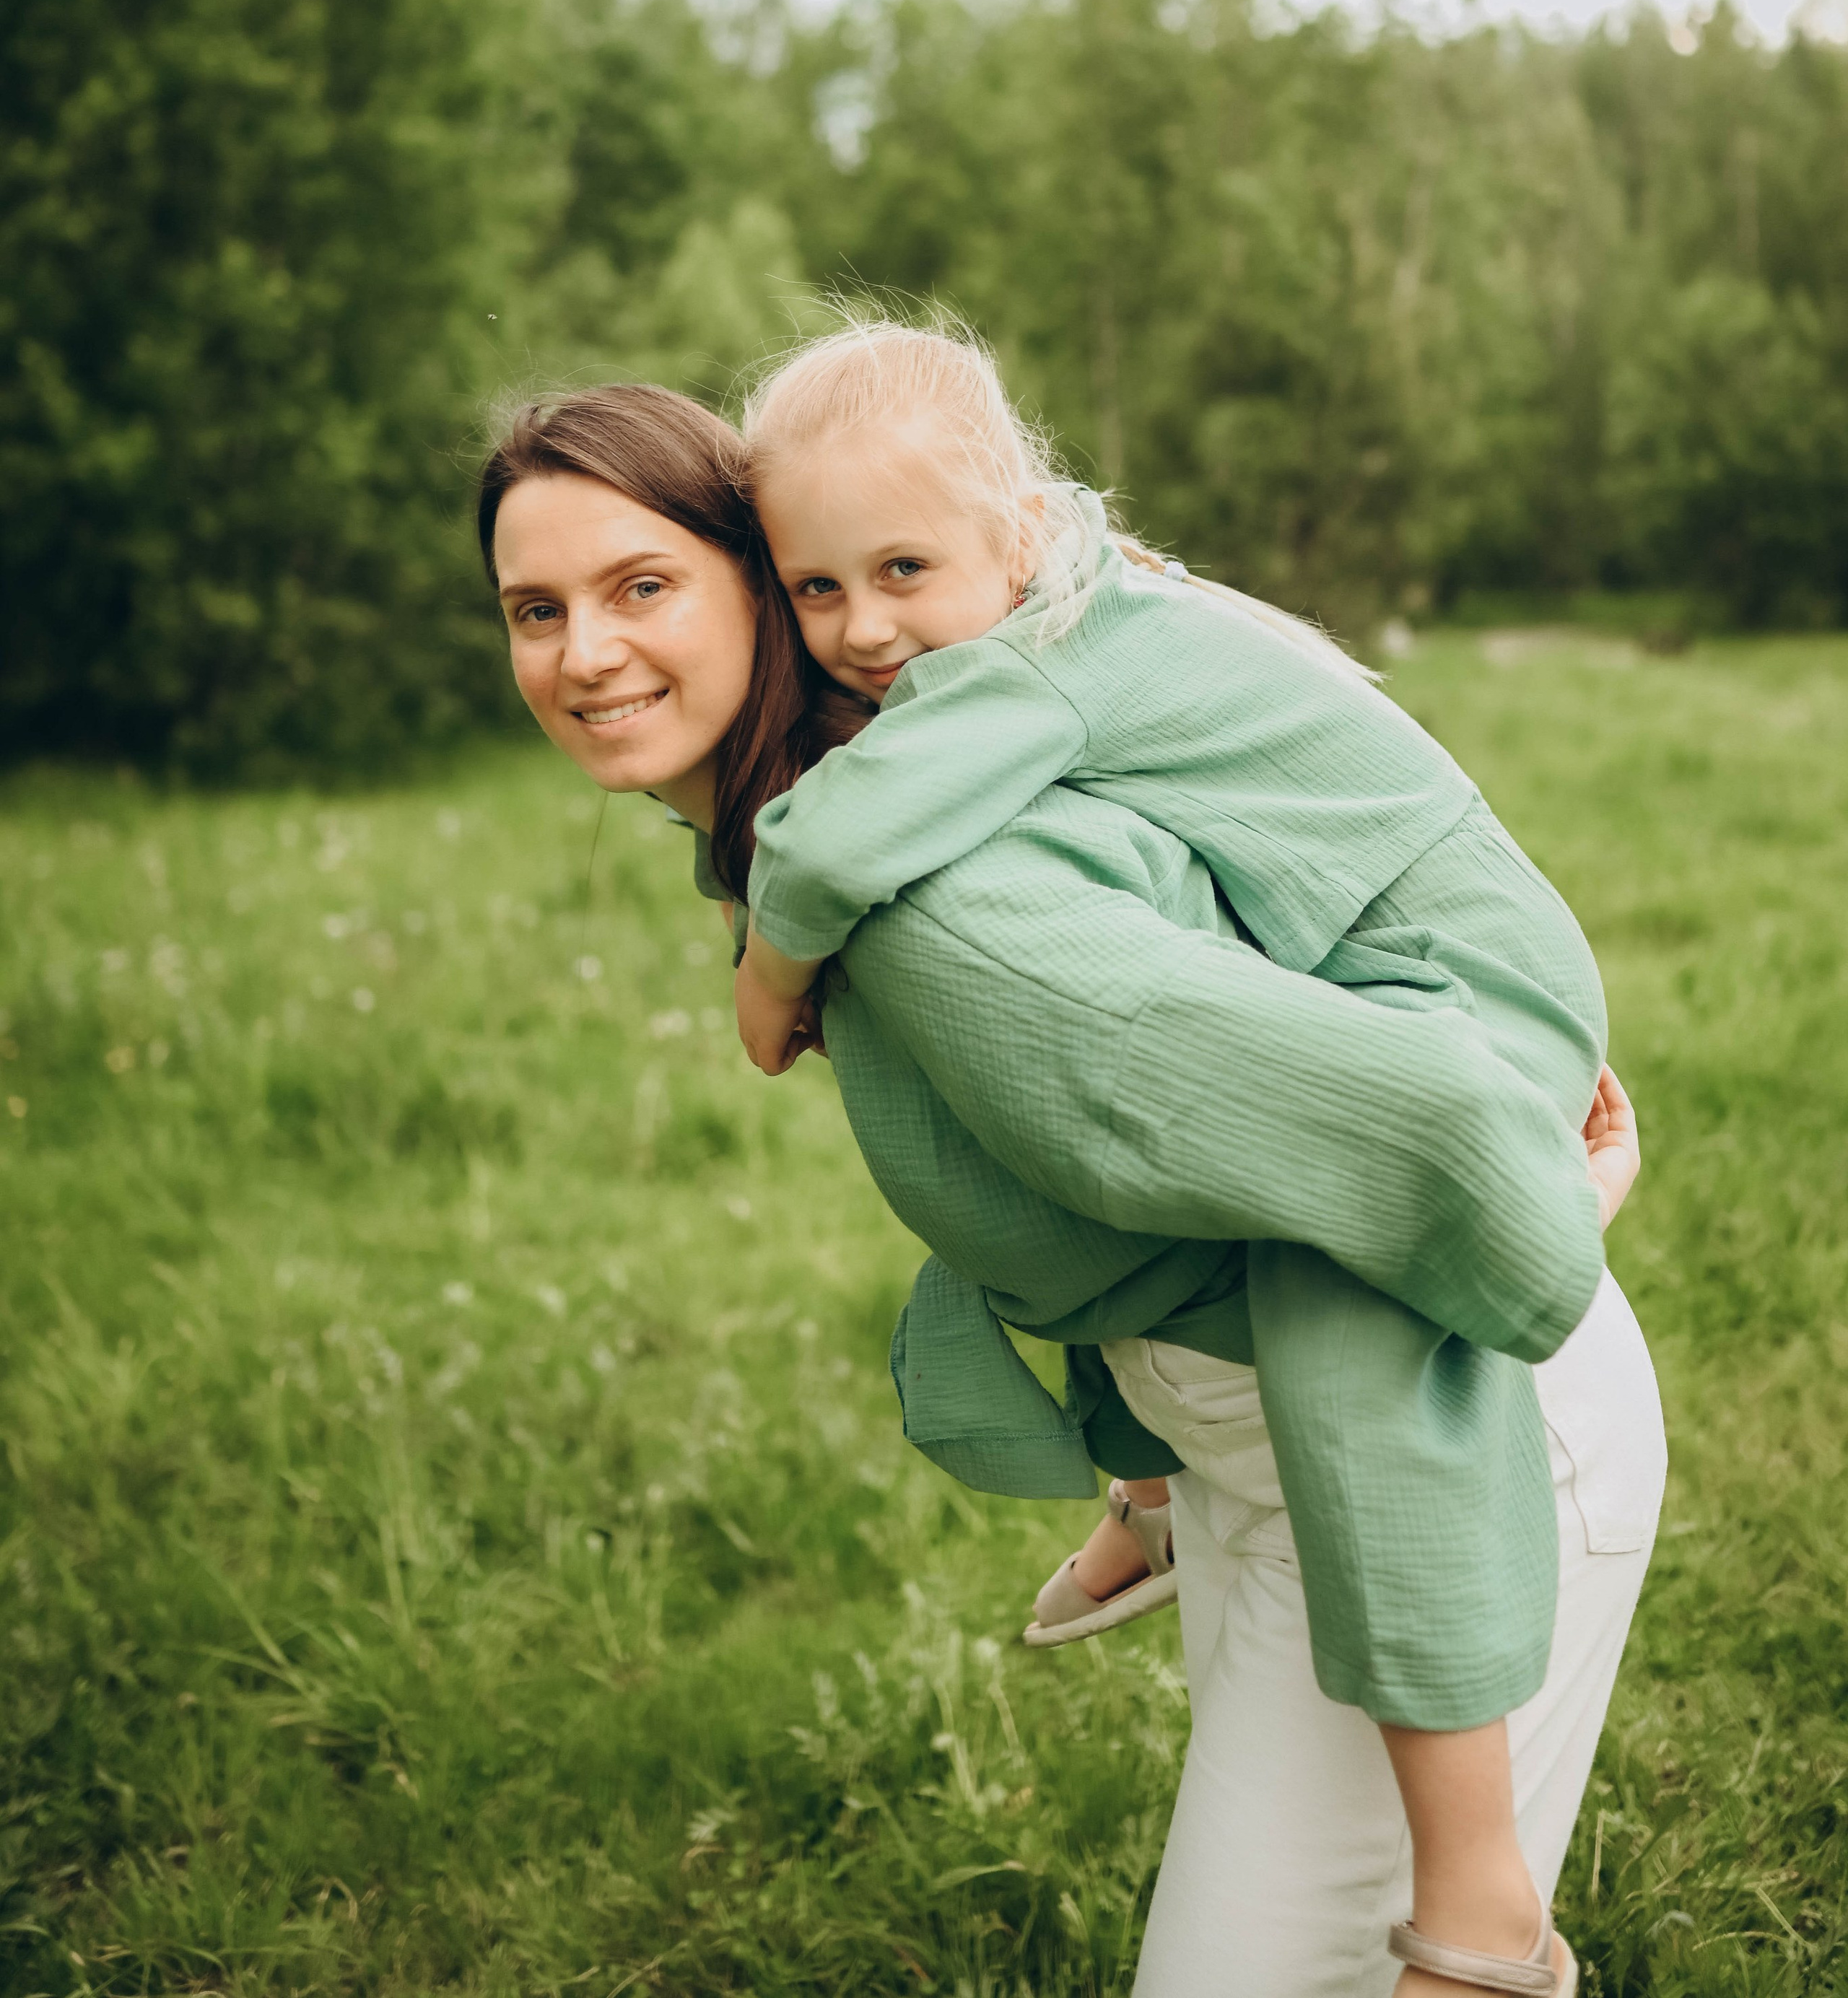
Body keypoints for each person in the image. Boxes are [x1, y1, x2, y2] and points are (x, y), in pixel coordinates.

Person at [479, 381, 1665, 1998]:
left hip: (1443, 1393)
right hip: (1276, 1445)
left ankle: (1489, 1924)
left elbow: (1417, 1118)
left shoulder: (943, 909)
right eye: (534, 610)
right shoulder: (846, 821)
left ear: (745, 581)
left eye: (639, 588)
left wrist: (1572, 1202)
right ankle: (1162, 1517)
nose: (583, 653)